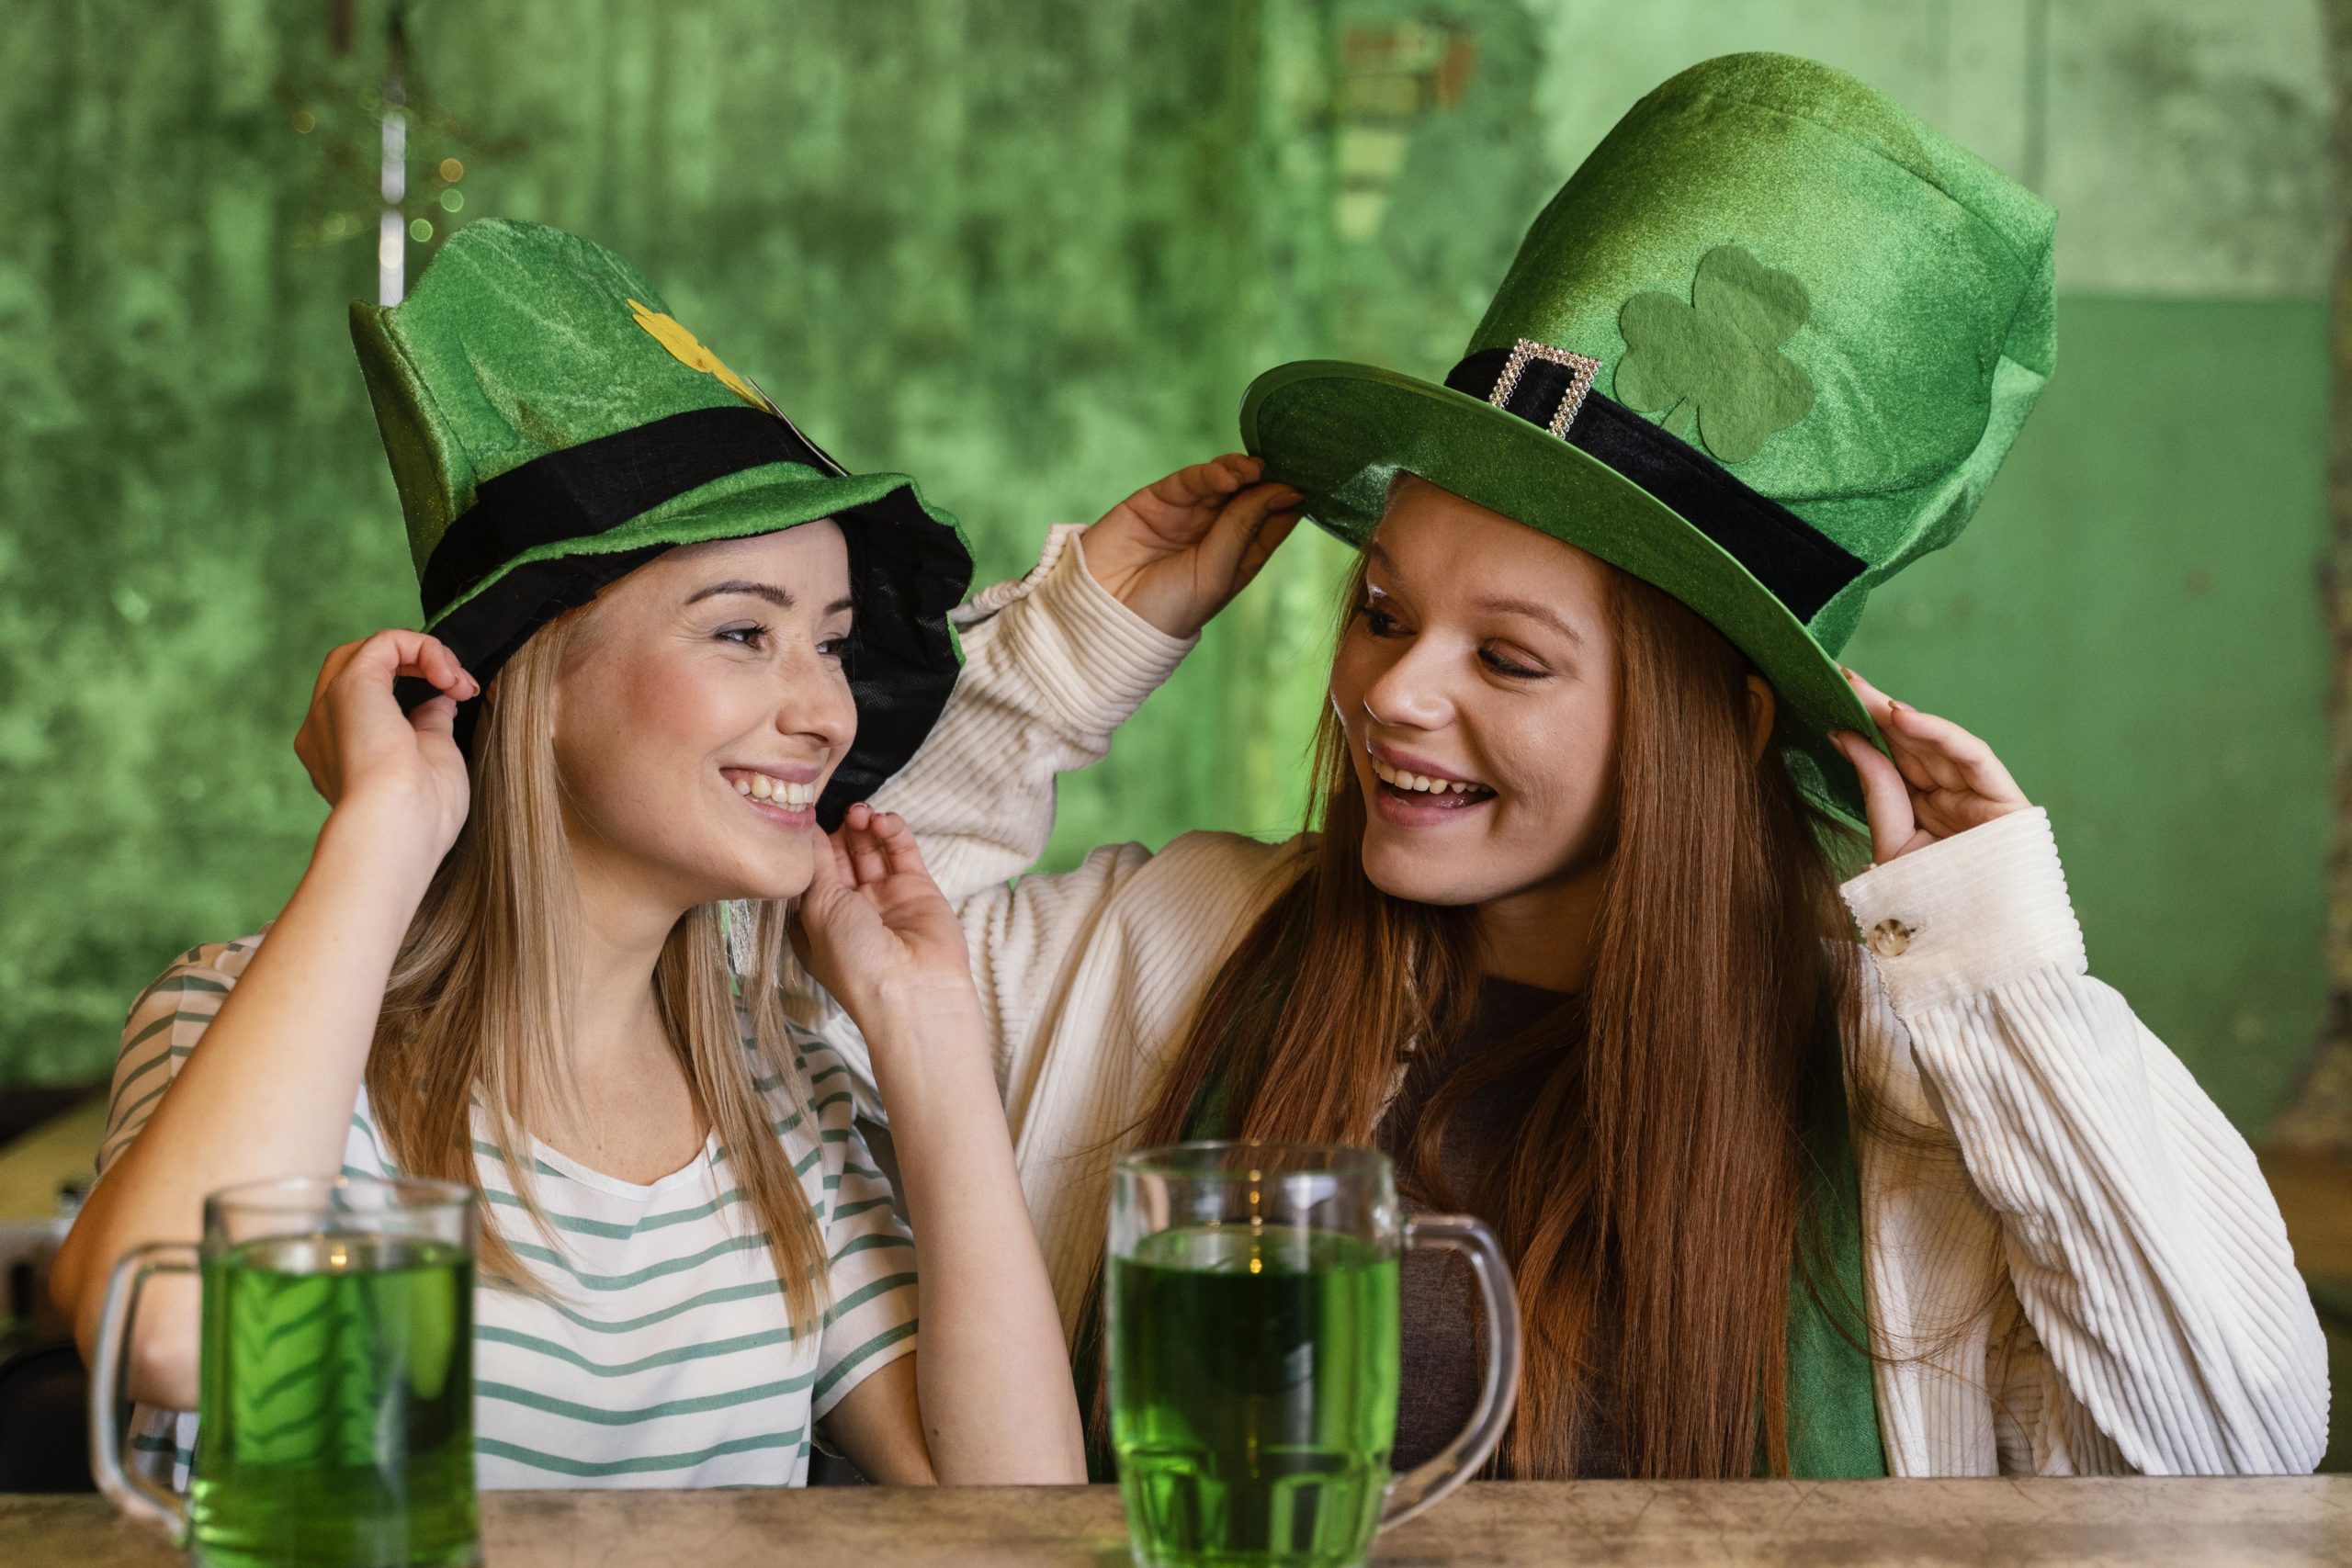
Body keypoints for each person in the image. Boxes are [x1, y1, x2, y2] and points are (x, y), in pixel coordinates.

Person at [790, 56, 2329, 1477]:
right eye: (1385, 611)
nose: (1396, 691)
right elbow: (754, 989)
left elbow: (2226, 1453)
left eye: (1509, 658)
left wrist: (1999, 978)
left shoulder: (1917, 1099)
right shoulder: (1170, 947)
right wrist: (1054, 668)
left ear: (1723, 722)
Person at [52, 220, 1084, 1489]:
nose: (827, 712)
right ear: (537, 684)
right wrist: (382, 832)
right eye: (743, 634)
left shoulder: (786, 1104)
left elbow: (1011, 1512)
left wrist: (925, 1029)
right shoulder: (232, 1019)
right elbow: (165, 1337)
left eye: (828, 641)